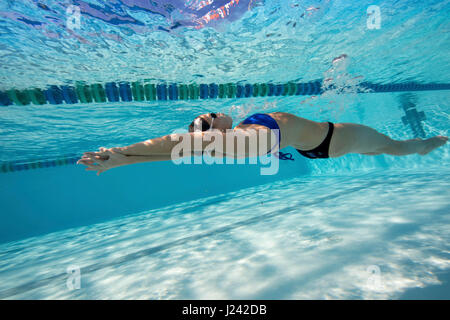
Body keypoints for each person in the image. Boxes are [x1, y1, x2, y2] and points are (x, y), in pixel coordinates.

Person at [77, 112, 448, 175]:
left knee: (391, 147)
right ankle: (427, 144)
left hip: (322, 141)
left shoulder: (245, 129)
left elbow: (181, 148)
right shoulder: (242, 139)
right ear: (212, 130)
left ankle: (424, 145)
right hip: (335, 138)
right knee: (395, 147)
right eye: (210, 119)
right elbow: (178, 145)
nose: (216, 115)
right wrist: (121, 153)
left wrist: (125, 159)